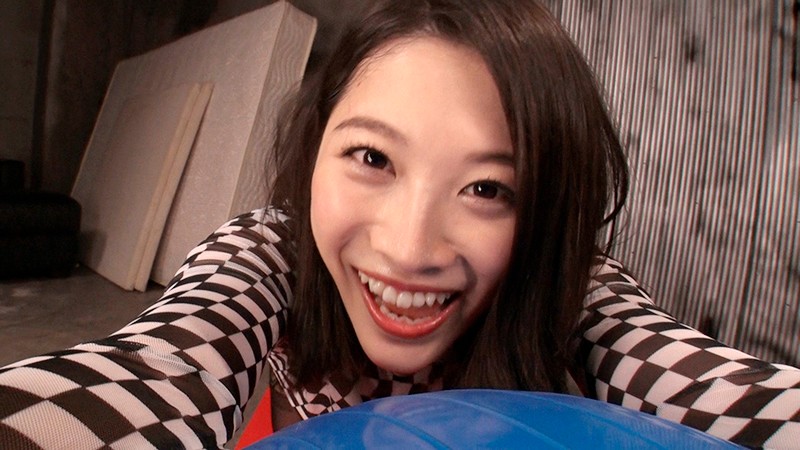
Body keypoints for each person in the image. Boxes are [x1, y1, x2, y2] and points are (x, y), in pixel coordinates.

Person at [1, 0, 798, 448]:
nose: (410, 249)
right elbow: (155, 367)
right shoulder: (264, 254)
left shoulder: (576, 287)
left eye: (487, 188)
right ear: (315, 150)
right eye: (373, 158)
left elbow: (724, 393)